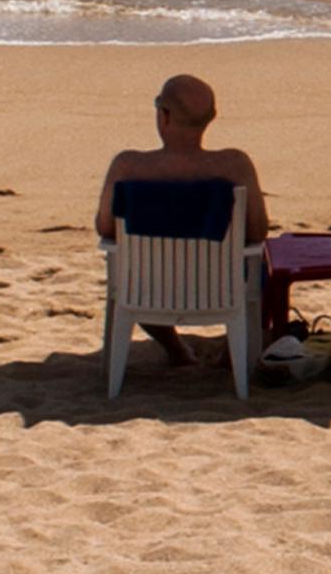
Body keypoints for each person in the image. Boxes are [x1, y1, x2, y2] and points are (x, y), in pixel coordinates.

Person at [92, 73, 270, 369]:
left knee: (131, 269)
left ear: (164, 116)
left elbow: (105, 228)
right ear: (210, 119)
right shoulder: (235, 166)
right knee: (261, 268)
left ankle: (176, 350)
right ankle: (231, 354)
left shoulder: (128, 166)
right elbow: (257, 232)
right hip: (220, 289)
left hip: (145, 290)